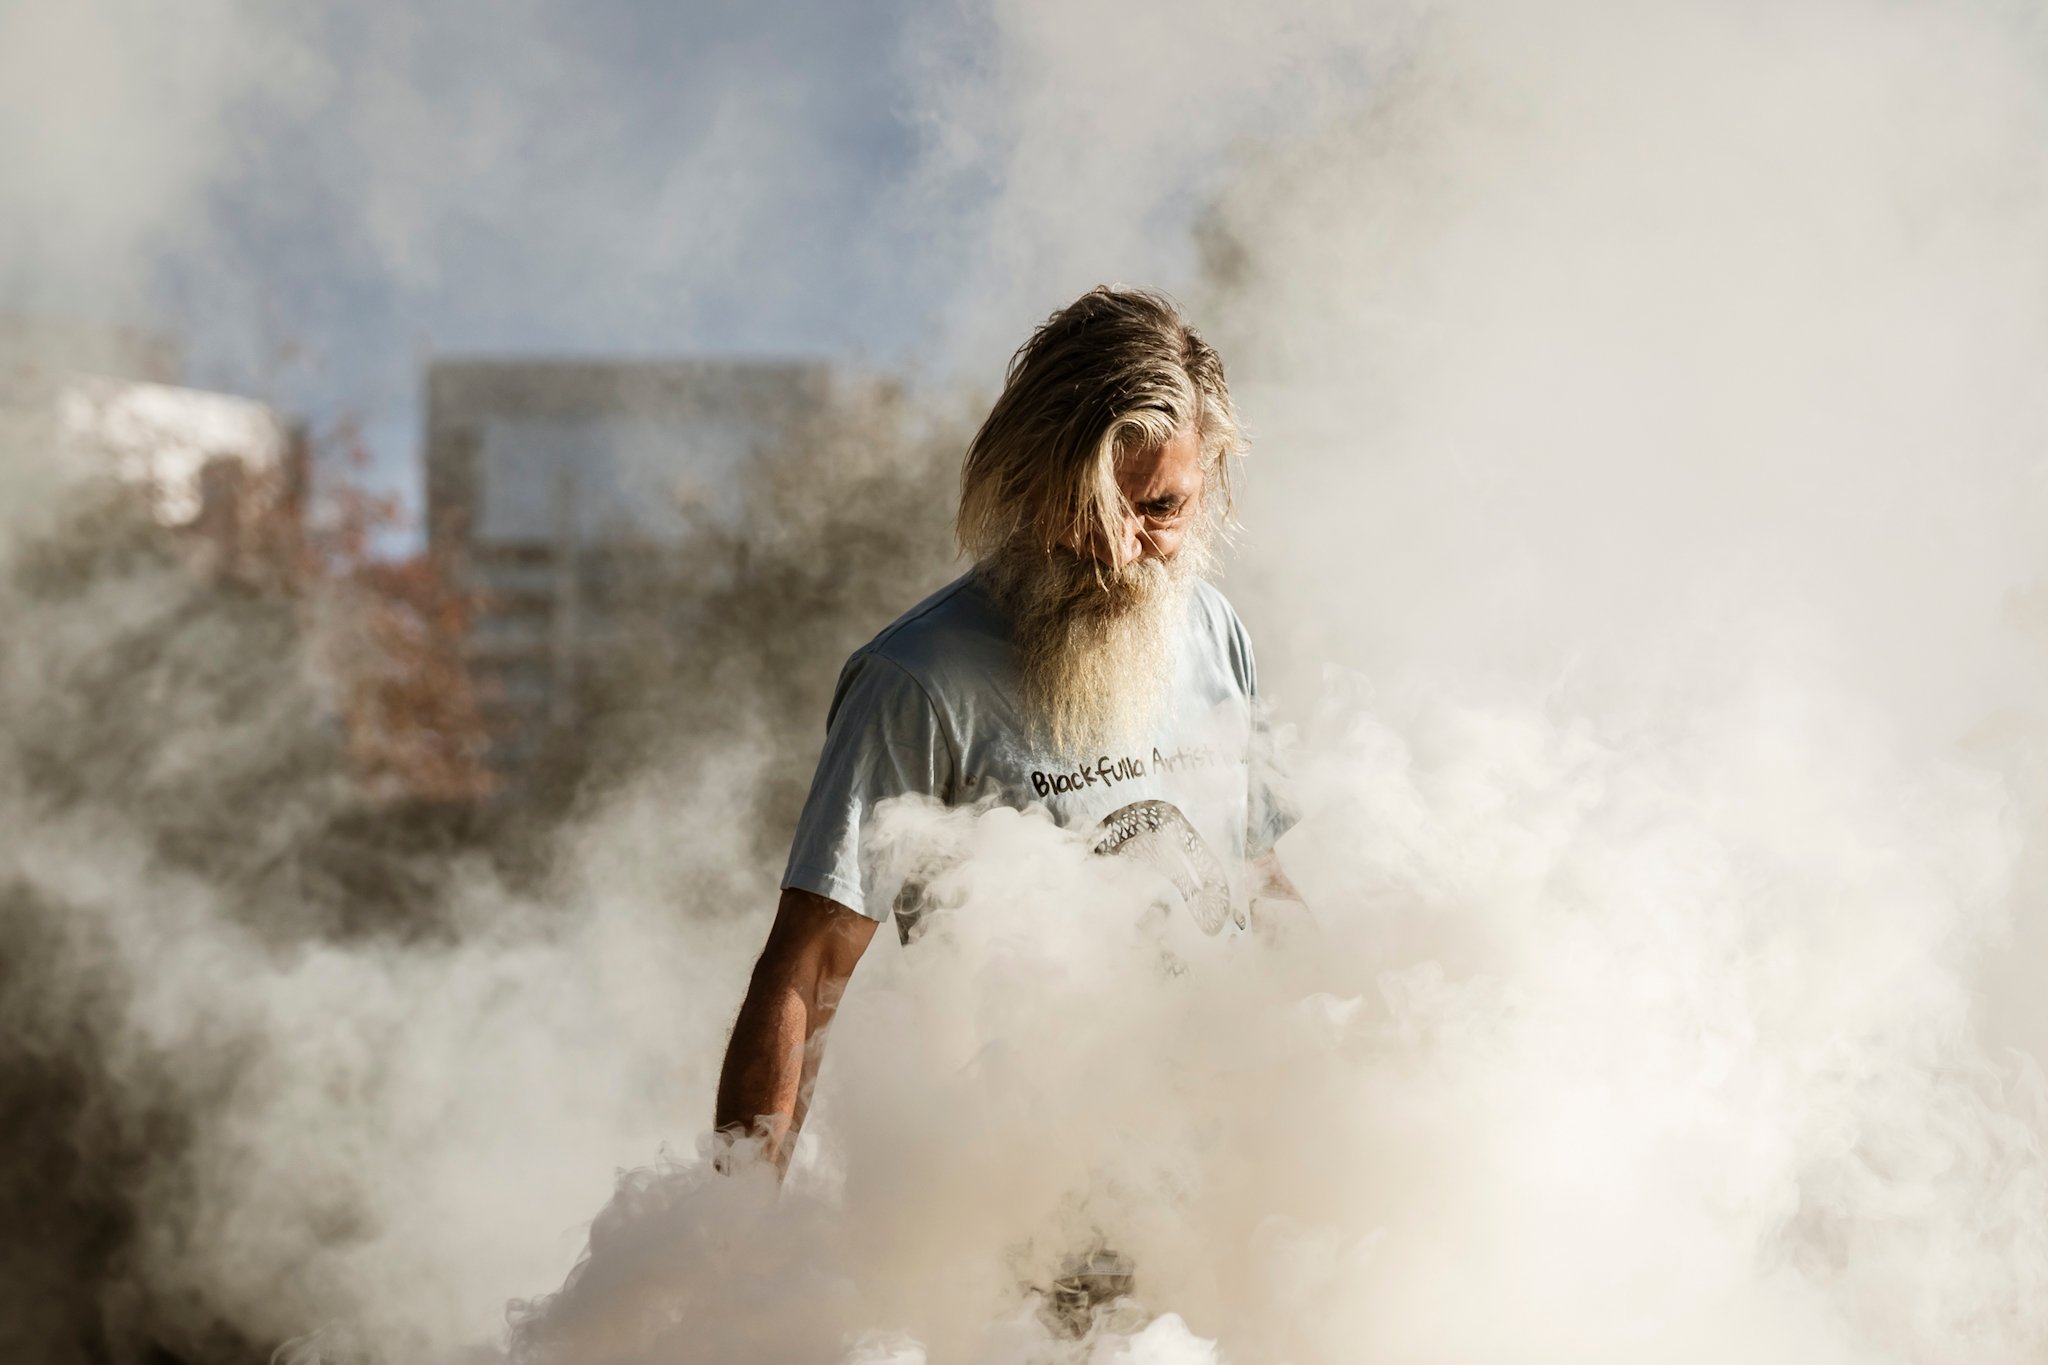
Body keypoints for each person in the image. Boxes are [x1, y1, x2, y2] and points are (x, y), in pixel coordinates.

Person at [714, 286, 1301, 1177]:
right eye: (1092, 507)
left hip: (1222, 1178)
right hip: (1021, 1202)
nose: (1119, 546)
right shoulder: (914, 681)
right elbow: (807, 969)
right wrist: (728, 1238)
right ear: (1026, 480)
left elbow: (1263, 883)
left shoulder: (1217, 631)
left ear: (1209, 481)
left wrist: (1358, 1065)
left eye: (1160, 509)